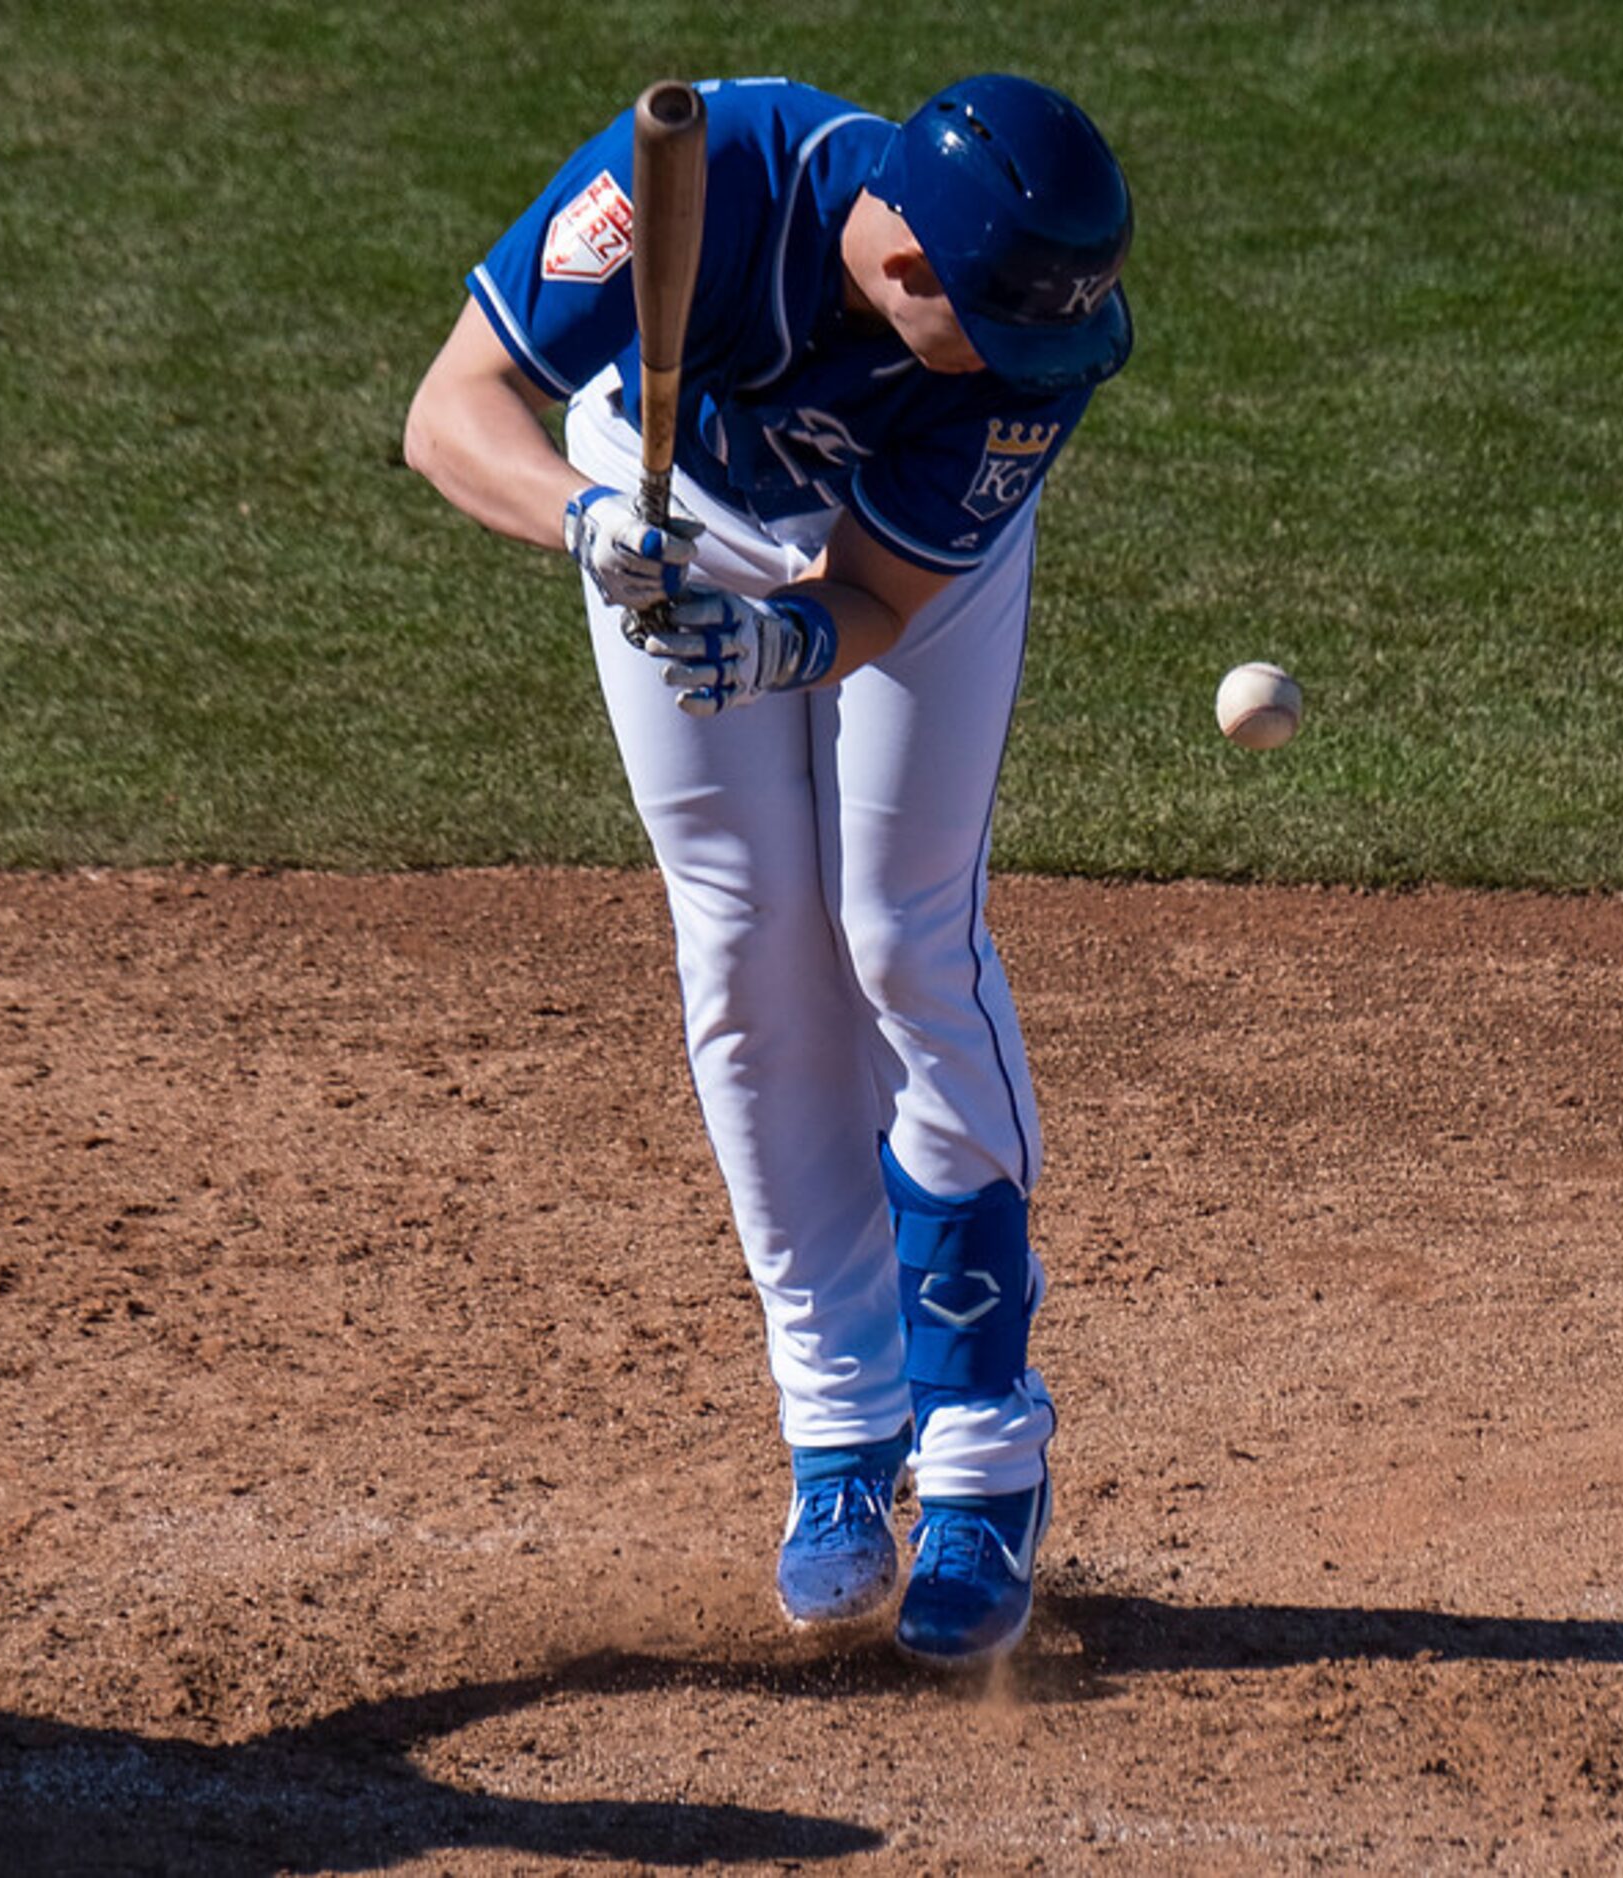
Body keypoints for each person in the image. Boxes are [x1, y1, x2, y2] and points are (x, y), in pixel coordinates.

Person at [404, 74, 1133, 1669]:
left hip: (878, 564)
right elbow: (450, 410)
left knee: (898, 931)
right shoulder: (723, 172)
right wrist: (587, 518)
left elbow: (873, 593)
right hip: (670, 506)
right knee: (745, 943)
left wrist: (790, 637)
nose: (1027, 370)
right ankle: (840, 1440)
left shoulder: (1028, 346)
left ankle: (984, 1459)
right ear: (910, 269)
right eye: (996, 334)